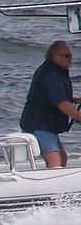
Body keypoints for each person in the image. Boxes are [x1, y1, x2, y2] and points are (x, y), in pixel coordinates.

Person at [19, 40, 81, 168]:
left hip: (44, 124)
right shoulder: (52, 74)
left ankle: (60, 186)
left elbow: (51, 96)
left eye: (71, 55)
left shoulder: (54, 71)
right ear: (55, 56)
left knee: (63, 158)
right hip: (40, 124)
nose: (71, 59)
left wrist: (74, 100)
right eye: (67, 56)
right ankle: (52, 186)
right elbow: (61, 103)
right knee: (54, 160)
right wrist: (79, 117)